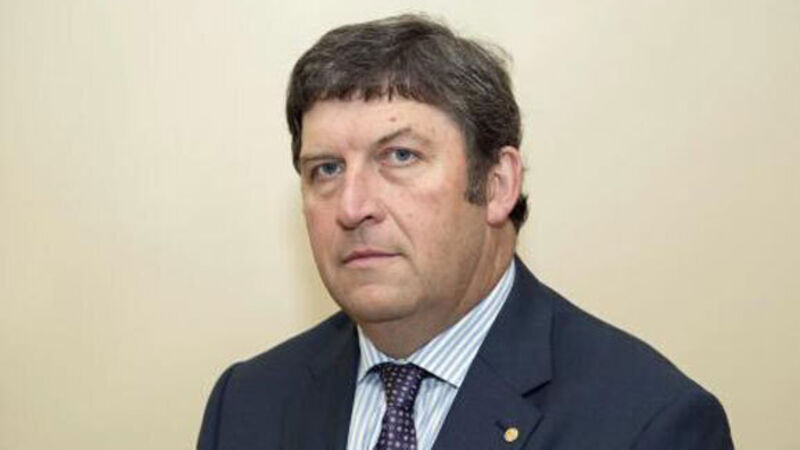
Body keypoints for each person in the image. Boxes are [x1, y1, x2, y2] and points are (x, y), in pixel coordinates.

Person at [197, 14, 733, 450]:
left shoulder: (649, 425)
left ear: (497, 184)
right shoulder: (246, 404)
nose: (352, 207)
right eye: (326, 169)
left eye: (400, 156)